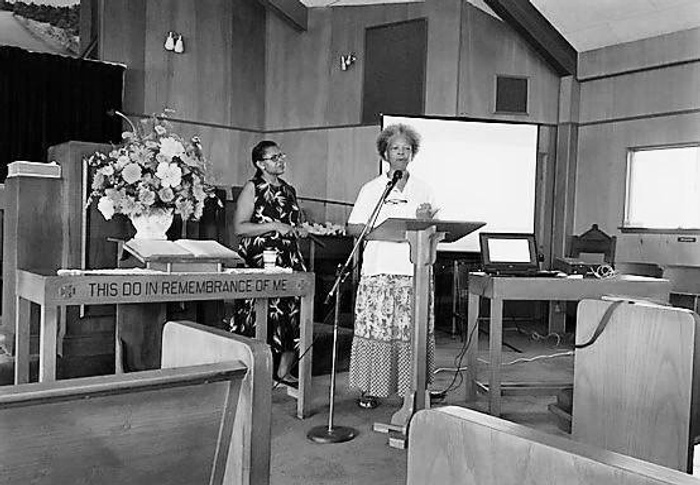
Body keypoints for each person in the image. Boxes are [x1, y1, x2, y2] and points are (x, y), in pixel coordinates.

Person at [347, 124, 439, 409]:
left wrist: (424, 225)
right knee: (377, 332)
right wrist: (387, 233)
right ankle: (371, 389)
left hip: (415, 272)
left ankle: (411, 389)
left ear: (413, 154)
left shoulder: (423, 188)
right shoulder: (372, 188)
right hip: (379, 271)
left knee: (410, 333)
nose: (401, 153)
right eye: (396, 149)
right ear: (385, 153)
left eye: (407, 149)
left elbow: (434, 227)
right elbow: (353, 227)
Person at [230, 140, 308, 384]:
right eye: (274, 158)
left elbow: (291, 222)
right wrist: (274, 226)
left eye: (281, 156)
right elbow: (240, 227)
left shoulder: (288, 190)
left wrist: (299, 230)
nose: (280, 160)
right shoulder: (252, 188)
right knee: (262, 312)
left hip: (289, 258)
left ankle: (284, 372)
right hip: (262, 260)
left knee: (292, 313)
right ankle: (256, 369)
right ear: (260, 163)